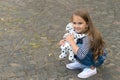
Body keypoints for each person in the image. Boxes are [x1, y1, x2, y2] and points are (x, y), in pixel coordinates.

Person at [58, 9, 107, 78]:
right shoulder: (75, 32)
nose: (76, 26)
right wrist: (64, 42)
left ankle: (91, 68)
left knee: (77, 46)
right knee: (75, 45)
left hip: (96, 59)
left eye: (80, 23)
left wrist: (71, 42)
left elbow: (81, 55)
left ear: (87, 24)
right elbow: (70, 41)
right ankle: (81, 63)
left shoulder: (88, 38)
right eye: (74, 23)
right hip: (86, 54)